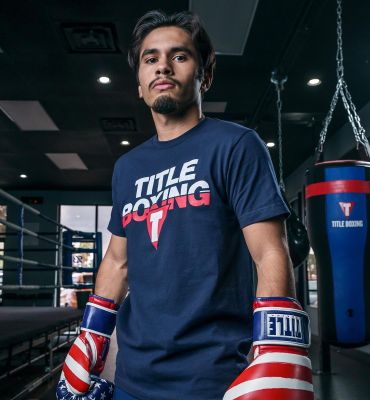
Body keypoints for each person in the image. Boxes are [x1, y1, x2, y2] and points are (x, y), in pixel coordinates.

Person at [57, 10, 313, 400]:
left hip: (215, 377)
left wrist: (277, 346)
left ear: (204, 76)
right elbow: (117, 261)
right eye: (150, 58)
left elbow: (269, 251)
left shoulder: (236, 145)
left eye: (179, 56)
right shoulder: (128, 168)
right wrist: (91, 334)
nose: (163, 66)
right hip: (134, 376)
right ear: (139, 86)